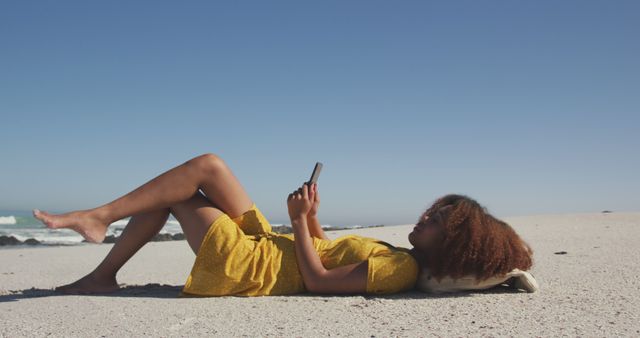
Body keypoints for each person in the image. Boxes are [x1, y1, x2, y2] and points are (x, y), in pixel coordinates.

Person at [32, 153, 535, 296]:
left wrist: (296, 224)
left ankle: (99, 233)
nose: (424, 218)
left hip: (249, 266)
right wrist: (312, 219)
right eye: (431, 211)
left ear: (450, 244)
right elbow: (325, 252)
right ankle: (99, 235)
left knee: (178, 193)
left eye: (436, 221)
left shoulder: (400, 272)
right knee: (209, 166)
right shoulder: (394, 253)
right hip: (268, 244)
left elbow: (316, 280)